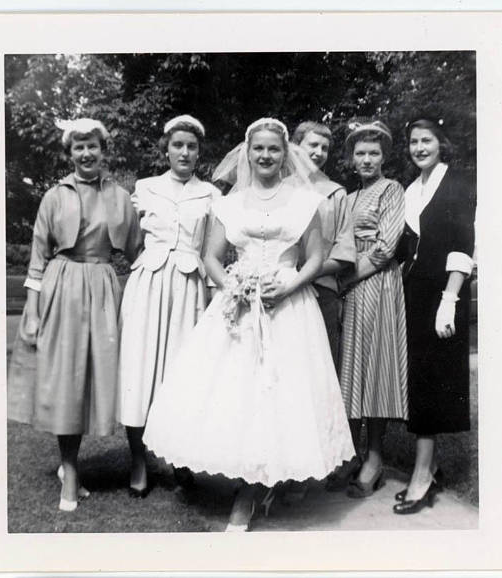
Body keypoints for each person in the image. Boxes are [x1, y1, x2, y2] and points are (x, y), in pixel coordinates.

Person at [143, 118, 355, 531]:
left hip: (288, 305)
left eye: (273, 149)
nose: (265, 156)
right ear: (247, 152)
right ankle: (246, 479)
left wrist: (290, 285)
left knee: (280, 394)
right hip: (237, 306)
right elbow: (211, 257)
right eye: (258, 148)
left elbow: (314, 256)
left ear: (284, 153)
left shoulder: (305, 202)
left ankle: (256, 489)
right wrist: (232, 286)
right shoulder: (230, 204)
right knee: (236, 395)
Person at [7, 118, 143, 511]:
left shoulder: (120, 197)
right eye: (78, 147)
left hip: (102, 288)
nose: (86, 154)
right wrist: (32, 312)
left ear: (104, 151)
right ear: (70, 154)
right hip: (61, 286)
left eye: (93, 146)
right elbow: (36, 260)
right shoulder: (54, 196)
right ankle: (69, 471)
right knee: (66, 382)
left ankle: (89, 466)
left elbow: (137, 253)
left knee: (98, 379)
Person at [117, 115, 221, 498]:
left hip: (190, 289)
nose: (184, 152)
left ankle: (180, 460)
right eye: (178, 145)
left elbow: (213, 250)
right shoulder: (145, 188)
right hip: (149, 284)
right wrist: (146, 261)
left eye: (191, 147)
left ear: (199, 153)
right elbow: (130, 241)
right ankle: (139, 462)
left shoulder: (211, 195)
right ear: (166, 149)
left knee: (183, 372)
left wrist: (211, 293)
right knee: (140, 370)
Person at [393, 117, 476, 514]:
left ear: (442, 143)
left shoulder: (457, 185)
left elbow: (463, 244)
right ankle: (432, 465)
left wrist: (450, 299)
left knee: (431, 380)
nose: (419, 147)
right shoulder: (411, 189)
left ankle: (422, 476)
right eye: (413, 142)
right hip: (415, 292)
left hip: (443, 293)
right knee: (422, 379)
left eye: (427, 140)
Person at [338, 119, 408, 498]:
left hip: (377, 282)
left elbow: (386, 245)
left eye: (374, 153)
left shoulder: (391, 189)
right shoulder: (347, 198)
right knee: (351, 367)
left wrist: (350, 279)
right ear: (351, 158)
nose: (367, 159)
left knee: (376, 366)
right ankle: (350, 454)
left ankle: (375, 459)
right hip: (350, 285)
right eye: (360, 153)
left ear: (384, 157)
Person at [291, 121, 357, 493]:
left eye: (324, 148)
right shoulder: (276, 189)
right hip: (279, 296)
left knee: (318, 379)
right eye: (311, 145)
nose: (317, 153)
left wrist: (302, 272)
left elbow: (345, 251)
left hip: (321, 291)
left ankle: (316, 466)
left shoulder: (335, 195)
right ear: (295, 145)